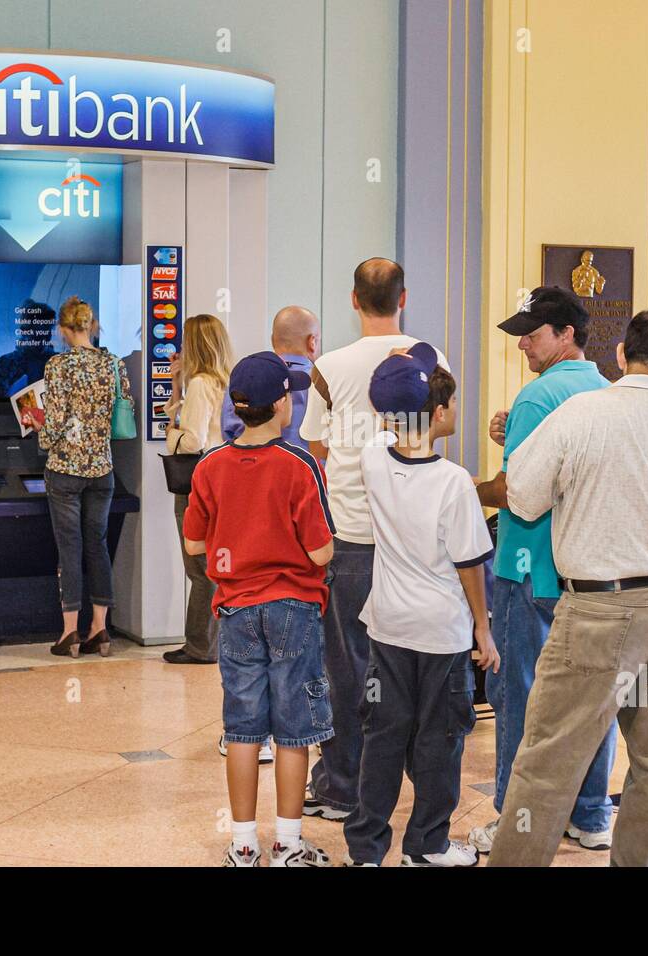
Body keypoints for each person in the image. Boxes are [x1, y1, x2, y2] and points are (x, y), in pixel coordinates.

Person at [487, 310, 648, 867]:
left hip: (600, 610)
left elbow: (521, 497)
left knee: (547, 762)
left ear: (621, 353)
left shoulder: (581, 413)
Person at [297, 258, 449, 822]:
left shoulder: (328, 366)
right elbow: (440, 434)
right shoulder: (431, 356)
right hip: (414, 536)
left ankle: (340, 787)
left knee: (347, 666)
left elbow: (314, 445)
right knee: (413, 665)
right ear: (403, 297)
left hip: (353, 536)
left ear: (353, 300)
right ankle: (412, 785)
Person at [469, 287, 616, 856]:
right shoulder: (606, 391)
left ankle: (516, 818)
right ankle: (591, 812)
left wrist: (464, 490)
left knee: (518, 695)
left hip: (526, 565)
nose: (524, 341)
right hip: (584, 569)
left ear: (568, 334)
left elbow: (515, 492)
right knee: (588, 698)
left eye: (535, 332)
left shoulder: (537, 397)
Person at [342, 344, 498, 866]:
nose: (454, 410)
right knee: (440, 739)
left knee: (383, 736)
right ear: (435, 414)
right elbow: (469, 564)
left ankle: (365, 849)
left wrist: (401, 367)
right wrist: (483, 627)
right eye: (449, 402)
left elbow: (389, 409)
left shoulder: (372, 458)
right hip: (441, 632)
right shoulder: (454, 483)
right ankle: (427, 845)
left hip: (387, 627)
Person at [182, 351, 335, 867]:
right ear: (279, 406)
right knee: (294, 728)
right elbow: (320, 552)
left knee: (243, 728)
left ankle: (243, 842)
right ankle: (289, 842)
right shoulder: (300, 466)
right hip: (293, 604)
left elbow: (195, 543)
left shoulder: (210, 465)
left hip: (235, 608)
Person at [27, 295, 132, 658]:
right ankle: (100, 628)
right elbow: (125, 408)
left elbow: (54, 422)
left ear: (63, 328)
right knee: (98, 545)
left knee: (70, 548)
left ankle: (70, 631)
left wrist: (38, 427)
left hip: (65, 472)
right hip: (103, 469)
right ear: (92, 325)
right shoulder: (113, 364)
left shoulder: (58, 366)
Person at [163, 313, 234, 666]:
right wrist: (177, 386)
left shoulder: (203, 385)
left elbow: (191, 441)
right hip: (223, 481)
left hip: (196, 484)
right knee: (214, 564)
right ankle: (212, 643)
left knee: (199, 568)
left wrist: (169, 433)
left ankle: (199, 646)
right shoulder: (225, 382)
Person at [220, 306, 320, 446]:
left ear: (273, 340)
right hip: (308, 466)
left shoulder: (244, 375)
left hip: (248, 465)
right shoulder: (324, 382)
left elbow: (229, 432)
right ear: (312, 342)